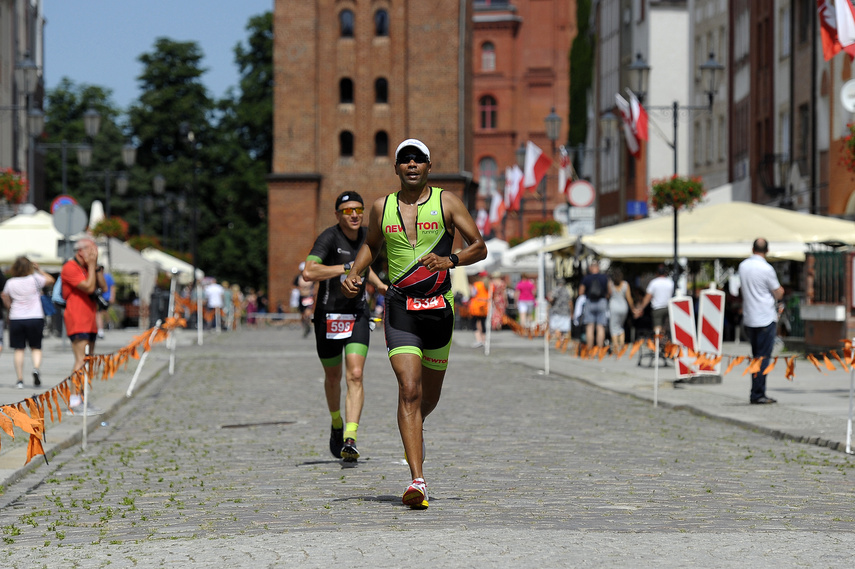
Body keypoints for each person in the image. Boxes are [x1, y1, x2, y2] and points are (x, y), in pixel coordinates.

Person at [342, 138, 487, 509]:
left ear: (428, 166)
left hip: (440, 310)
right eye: (404, 160)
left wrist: (451, 260)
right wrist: (355, 271)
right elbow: (371, 246)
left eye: (418, 159)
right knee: (409, 389)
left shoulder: (447, 202)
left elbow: (479, 246)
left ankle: (413, 429)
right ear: (395, 168)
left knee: (427, 398)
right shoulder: (381, 207)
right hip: (400, 306)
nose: (411, 165)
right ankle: (417, 481)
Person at [303, 191, 388, 464]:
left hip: (357, 314)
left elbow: (366, 266)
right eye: (348, 211)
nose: (354, 215)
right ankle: (336, 422)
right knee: (333, 378)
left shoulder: (366, 235)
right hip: (328, 315)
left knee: (356, 373)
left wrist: (381, 285)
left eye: (358, 210)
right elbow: (309, 272)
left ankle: (350, 438)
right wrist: (343, 268)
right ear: (338, 214)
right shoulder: (329, 238)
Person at [62, 238, 108, 407]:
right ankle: (74, 397)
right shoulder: (70, 267)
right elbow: (88, 287)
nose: (94, 253)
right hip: (77, 318)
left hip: (90, 318)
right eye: (91, 249)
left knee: (88, 359)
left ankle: (81, 396)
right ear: (80, 251)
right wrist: (91, 265)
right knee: (81, 359)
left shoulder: (89, 267)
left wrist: (95, 267)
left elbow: (103, 287)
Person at [738, 238, 784, 404]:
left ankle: (755, 391)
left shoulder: (743, 266)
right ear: (767, 250)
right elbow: (778, 292)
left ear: (752, 248)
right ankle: (758, 393)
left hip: (750, 317)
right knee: (763, 357)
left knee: (756, 355)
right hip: (765, 317)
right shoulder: (766, 268)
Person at [1, 257, 55, 388]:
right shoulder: (36, 279)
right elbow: (51, 280)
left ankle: (20, 379)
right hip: (35, 317)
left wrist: (9, 306)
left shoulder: (11, 282)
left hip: (16, 317)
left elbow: (4, 295)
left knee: (19, 349)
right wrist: (39, 269)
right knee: (36, 347)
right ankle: (36, 368)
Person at [633, 264, 674, 336]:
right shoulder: (670, 283)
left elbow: (648, 297)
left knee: (657, 328)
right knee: (666, 327)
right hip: (668, 307)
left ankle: (658, 343)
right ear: (665, 273)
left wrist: (641, 308)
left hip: (657, 308)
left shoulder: (654, 283)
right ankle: (665, 342)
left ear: (657, 273)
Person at [579, 260, 610, 349]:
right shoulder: (604, 277)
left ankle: (590, 350)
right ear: (598, 267)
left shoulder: (586, 278)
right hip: (602, 302)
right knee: (601, 327)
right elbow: (609, 291)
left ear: (590, 268)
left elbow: (581, 292)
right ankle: (599, 350)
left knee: (590, 327)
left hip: (590, 302)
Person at [608, 268, 634, 351]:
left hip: (613, 307)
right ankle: (622, 347)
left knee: (613, 328)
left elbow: (608, 295)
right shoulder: (625, 284)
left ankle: (615, 348)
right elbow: (629, 298)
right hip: (623, 307)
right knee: (620, 327)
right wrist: (632, 308)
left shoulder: (610, 284)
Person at [547, 278, 573, 345]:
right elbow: (570, 302)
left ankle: (558, 342)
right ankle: (561, 341)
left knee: (556, 328)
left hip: (556, 311)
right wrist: (572, 312)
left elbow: (551, 299)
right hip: (565, 312)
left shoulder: (555, 290)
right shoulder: (567, 291)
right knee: (563, 329)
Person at [468, 272, 490, 348]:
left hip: (476, 307)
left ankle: (478, 340)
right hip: (485, 307)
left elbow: (473, 294)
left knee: (474, 323)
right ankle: (484, 341)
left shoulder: (477, 284)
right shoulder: (489, 285)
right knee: (483, 323)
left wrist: (470, 288)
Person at [296, 264, 315, 337]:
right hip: (301, 297)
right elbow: (293, 285)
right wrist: (299, 288)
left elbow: (315, 285)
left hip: (308, 297)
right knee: (303, 314)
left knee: (307, 313)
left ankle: (308, 326)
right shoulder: (298, 278)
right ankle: (306, 326)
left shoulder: (311, 277)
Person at [96, 270, 115, 339]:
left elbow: (112, 287)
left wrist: (112, 296)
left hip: (106, 298)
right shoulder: (97, 276)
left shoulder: (108, 277)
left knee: (104, 312)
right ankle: (101, 330)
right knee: (99, 313)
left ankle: (108, 323)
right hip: (100, 298)